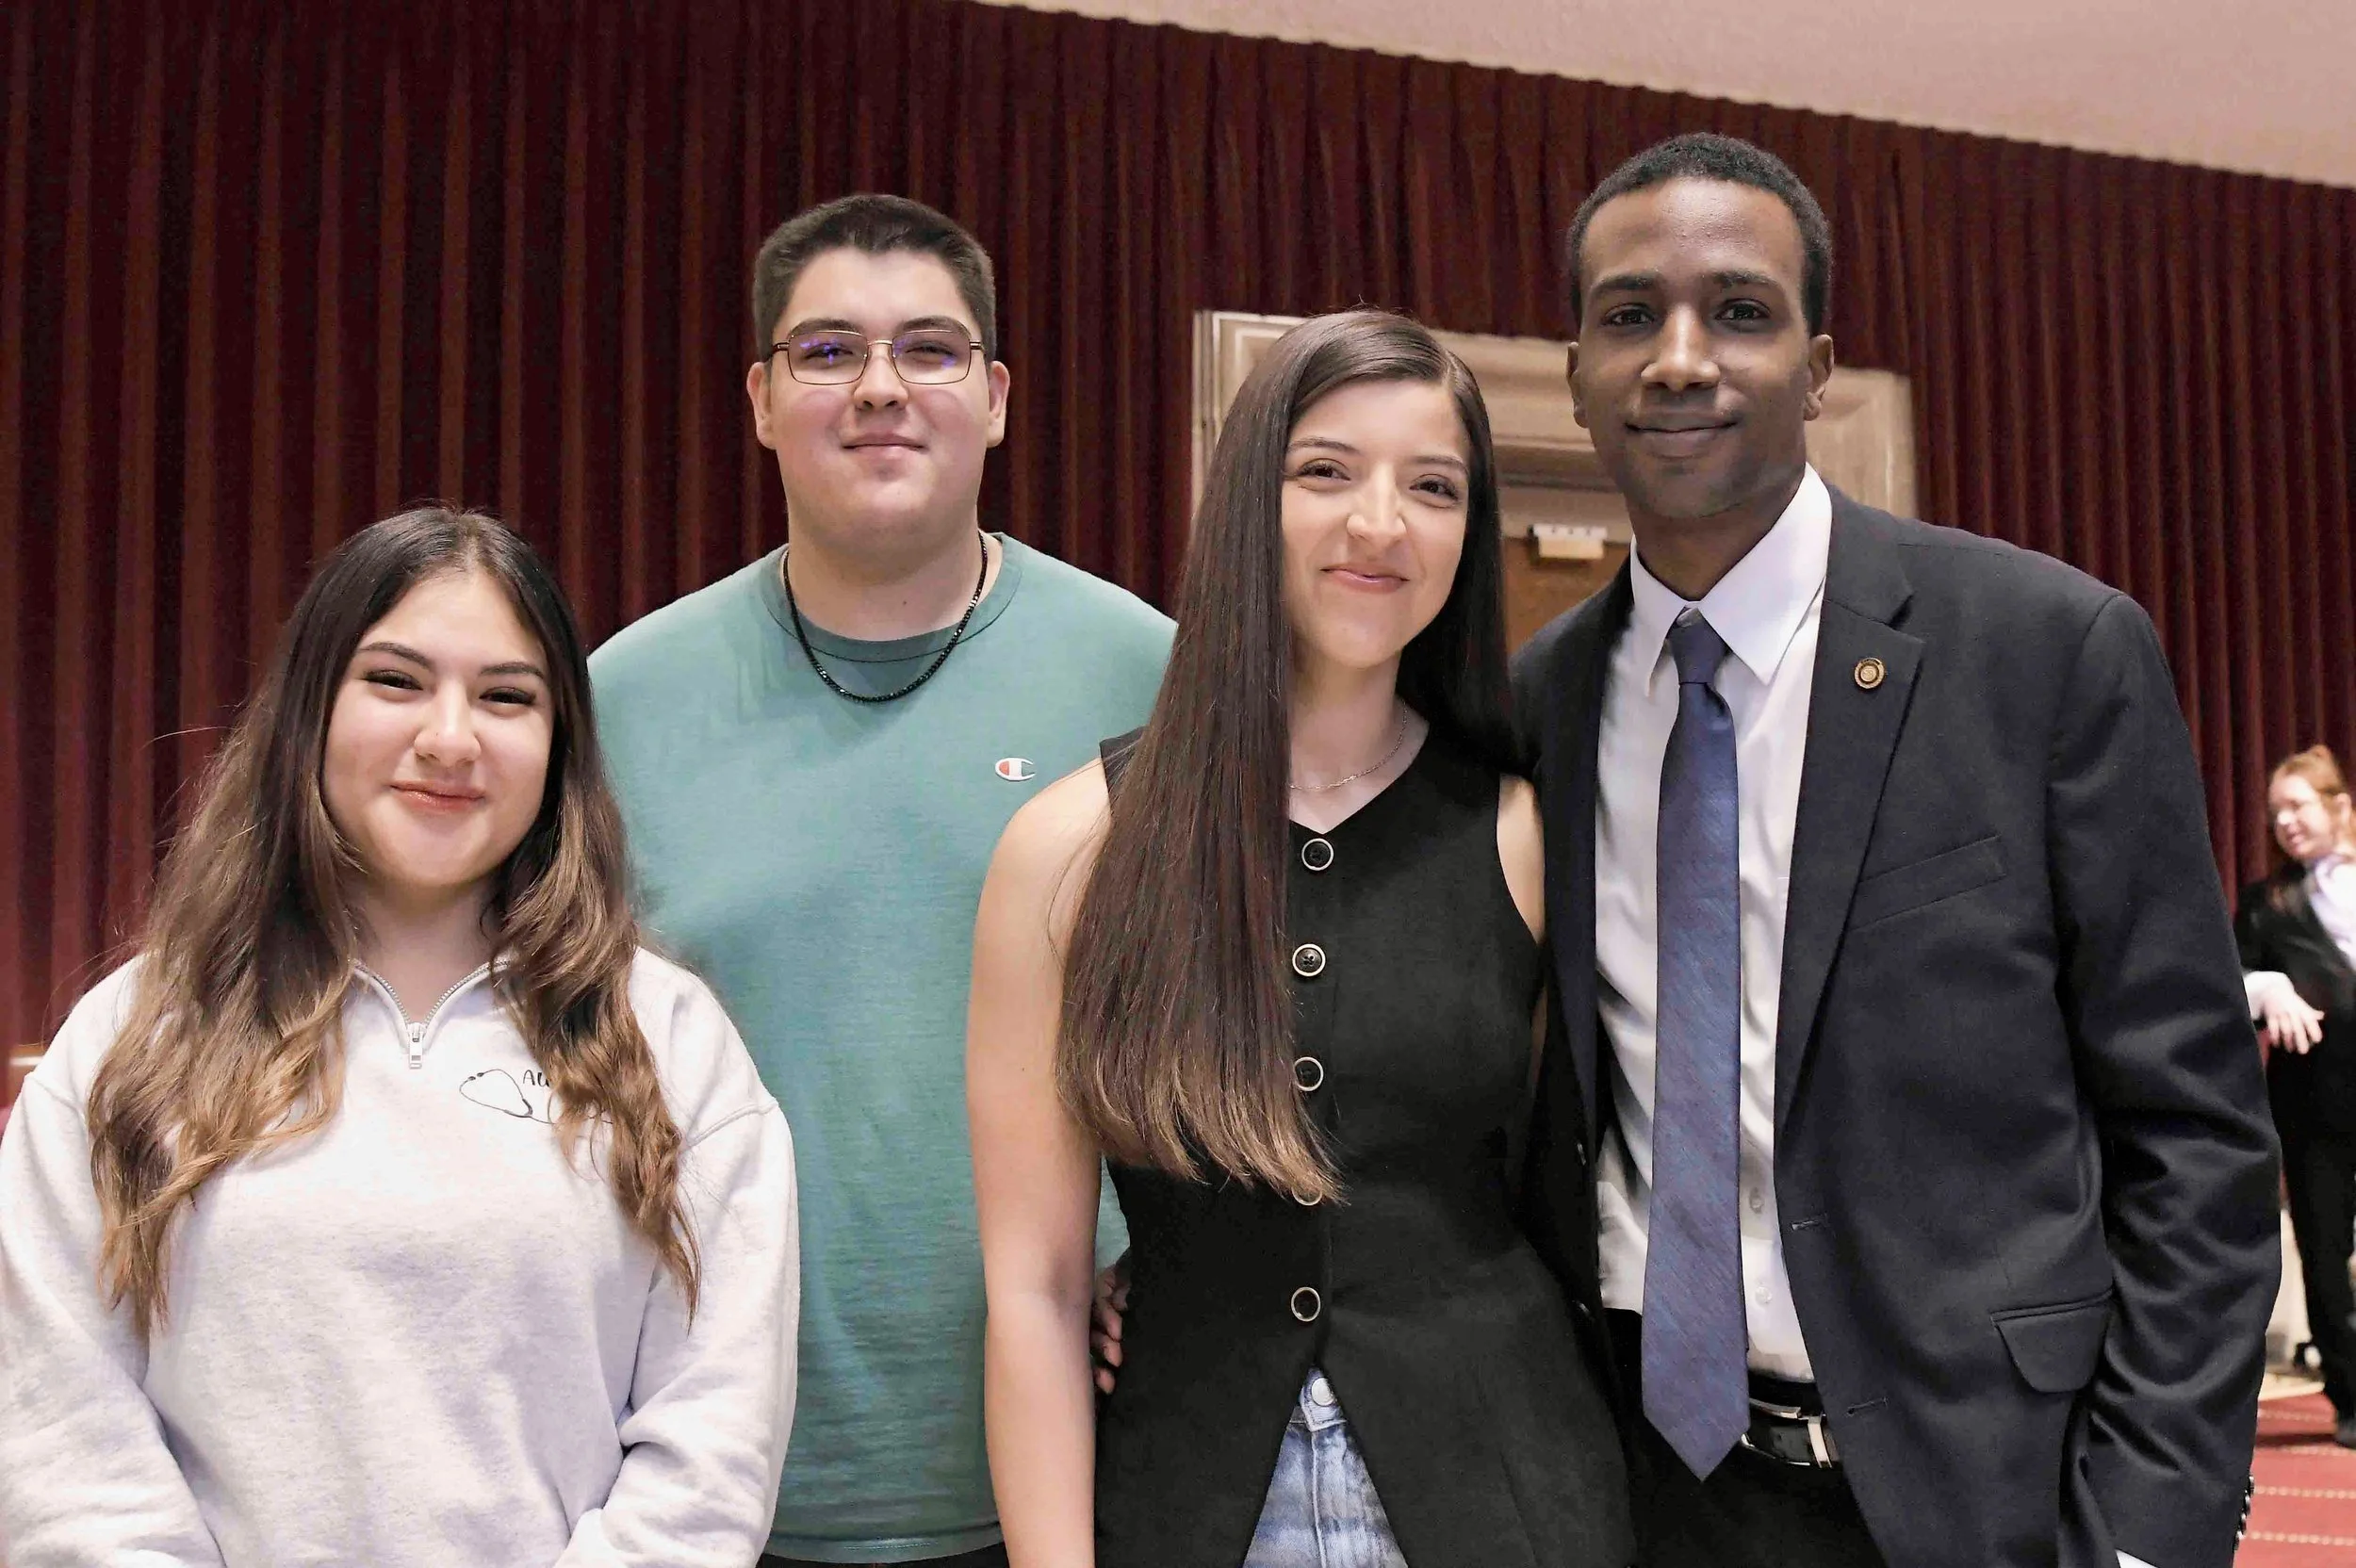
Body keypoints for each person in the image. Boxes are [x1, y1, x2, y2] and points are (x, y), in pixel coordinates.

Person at [1511, 133, 2278, 1568]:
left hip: (1989, 1500)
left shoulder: (2046, 653)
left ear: (1818, 364)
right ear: (1576, 369)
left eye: (1740, 310)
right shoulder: (1538, 698)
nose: (1681, 359)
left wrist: (2145, 1535)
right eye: (1629, 316)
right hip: (1639, 1493)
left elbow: (2195, 1142)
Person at [0, 508, 799, 1567]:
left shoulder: (672, 1042)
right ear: (309, 711)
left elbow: (711, 1447)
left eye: (507, 695)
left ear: (559, 744)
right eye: (396, 680)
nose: (452, 737)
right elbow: (62, 1435)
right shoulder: (133, 1036)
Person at [972, 310, 1631, 1568]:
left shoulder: (1528, 835)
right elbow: (1037, 1291)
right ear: (1245, 501)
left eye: (1432, 487)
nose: (1380, 522)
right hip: (1190, 1495)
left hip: (1511, 1497)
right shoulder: (1068, 852)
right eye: (1326, 470)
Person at [590, 194, 1170, 1567]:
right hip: (712, 1484)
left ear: (997, 396)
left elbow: (1253, 1028)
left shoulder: (1150, 675)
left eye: (931, 350)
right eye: (828, 352)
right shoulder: (621, 699)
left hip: (1080, 1478)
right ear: (761, 399)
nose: (881, 390)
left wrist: (1192, 1245)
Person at [2237, 745, 2356, 1446]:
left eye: (2299, 806)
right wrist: (2267, 990)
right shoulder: (2267, 903)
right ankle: (2352, 1398)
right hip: (2314, 1103)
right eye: (2276, 812)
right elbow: (2228, 984)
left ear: (2339, 807)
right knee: (2323, 1252)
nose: (2285, 822)